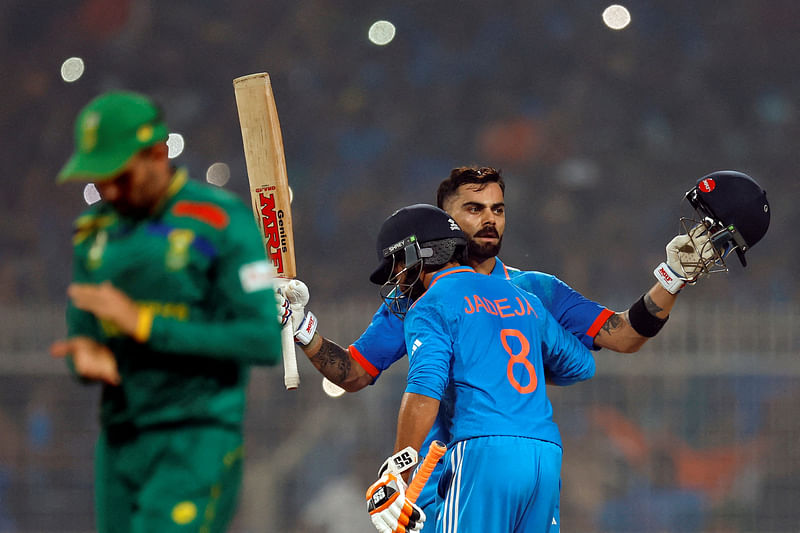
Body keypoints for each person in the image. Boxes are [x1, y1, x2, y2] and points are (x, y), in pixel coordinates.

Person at [280, 166, 713, 532]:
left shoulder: (457, 296)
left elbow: (625, 336)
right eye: (474, 209)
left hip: (467, 466)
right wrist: (304, 331)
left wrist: (671, 279)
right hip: (497, 466)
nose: (490, 220)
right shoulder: (519, 297)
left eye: (498, 209)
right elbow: (353, 372)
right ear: (444, 220)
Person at [49, 90, 283, 533]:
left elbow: (260, 339)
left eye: (120, 175)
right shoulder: (93, 233)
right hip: (120, 442)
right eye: (100, 179)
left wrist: (145, 325)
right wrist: (85, 353)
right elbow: (83, 328)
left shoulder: (220, 220)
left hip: (196, 439)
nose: (110, 191)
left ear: (158, 153)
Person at [364, 204, 597, 532]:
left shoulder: (429, 305)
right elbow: (581, 365)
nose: (399, 280)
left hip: (482, 451)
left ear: (420, 254)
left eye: (398, 264)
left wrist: (396, 474)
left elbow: (424, 388)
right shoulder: (523, 297)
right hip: (544, 455)